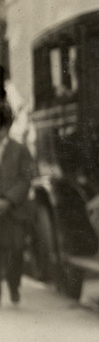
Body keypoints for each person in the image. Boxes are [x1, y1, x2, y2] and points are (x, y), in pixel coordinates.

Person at [0, 100, 34, 306]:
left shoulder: (20, 150)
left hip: (14, 211)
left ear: (5, 128)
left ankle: (14, 284)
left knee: (16, 250)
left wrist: (8, 200)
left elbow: (25, 178)